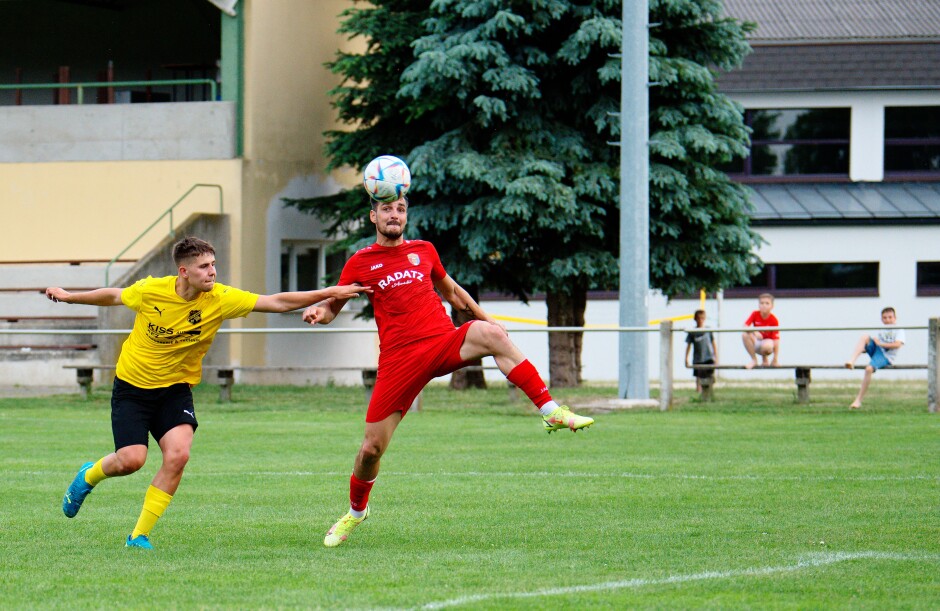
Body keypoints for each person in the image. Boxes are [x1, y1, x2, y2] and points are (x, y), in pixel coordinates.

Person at [302, 195, 595, 548]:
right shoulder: (361, 262)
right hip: (399, 361)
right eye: (386, 209)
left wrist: (488, 319)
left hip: (441, 342)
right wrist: (320, 313)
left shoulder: (424, 250)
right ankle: (356, 513)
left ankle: (551, 411)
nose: (394, 215)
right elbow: (334, 305)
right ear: (373, 216)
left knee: (490, 334)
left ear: (406, 216)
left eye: (400, 209)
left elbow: (453, 292)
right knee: (370, 450)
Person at [47, 237, 369, 549]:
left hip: (175, 390)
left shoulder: (221, 297)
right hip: (133, 388)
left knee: (178, 455)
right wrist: (70, 297)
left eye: (214, 264)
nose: (212, 272)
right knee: (131, 461)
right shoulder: (150, 291)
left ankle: (138, 536)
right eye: (203, 266)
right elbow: (114, 296)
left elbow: (276, 302)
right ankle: (88, 475)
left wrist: (329, 293)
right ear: (183, 272)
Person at [844, 307, 905, 409]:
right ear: (882, 319)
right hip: (877, 351)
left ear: (895, 318)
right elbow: (875, 344)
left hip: (886, 356)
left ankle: (858, 400)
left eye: (890, 317)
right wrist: (865, 348)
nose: (888, 320)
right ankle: (852, 361)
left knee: (868, 369)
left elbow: (898, 344)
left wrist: (880, 343)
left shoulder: (899, 330)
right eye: (885, 318)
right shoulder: (882, 329)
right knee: (865, 337)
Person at [742, 293, 779, 368]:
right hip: (757, 342)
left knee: (766, 345)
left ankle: (765, 359)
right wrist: (754, 331)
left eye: (767, 303)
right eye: (761, 303)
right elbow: (745, 326)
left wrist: (775, 358)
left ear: (772, 306)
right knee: (744, 334)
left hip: (768, 345)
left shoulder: (774, 320)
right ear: (758, 305)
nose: (764, 305)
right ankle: (754, 360)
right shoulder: (755, 314)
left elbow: (776, 340)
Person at [685, 309, 717, 393]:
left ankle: (709, 392)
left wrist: (716, 357)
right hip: (698, 358)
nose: (700, 320)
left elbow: (713, 343)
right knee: (698, 377)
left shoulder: (708, 330)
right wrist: (686, 358)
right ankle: (698, 393)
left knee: (709, 376)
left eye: (702, 318)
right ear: (695, 319)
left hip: (708, 357)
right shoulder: (693, 332)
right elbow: (688, 345)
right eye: (698, 318)